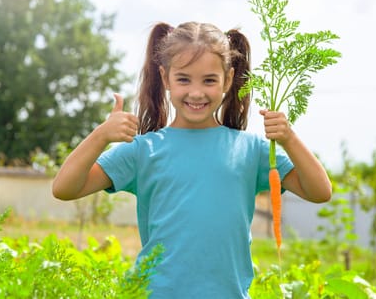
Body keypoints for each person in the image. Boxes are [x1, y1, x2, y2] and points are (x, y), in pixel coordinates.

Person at [52, 21, 332, 298]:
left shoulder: (251, 150)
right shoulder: (143, 150)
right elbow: (65, 188)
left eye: (209, 80)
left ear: (228, 79)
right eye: (183, 79)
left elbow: (319, 191)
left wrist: (289, 138)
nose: (196, 92)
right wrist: (100, 136)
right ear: (165, 78)